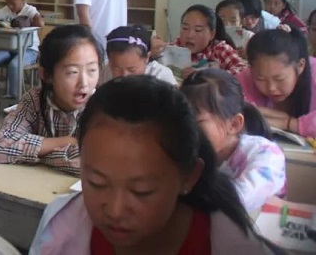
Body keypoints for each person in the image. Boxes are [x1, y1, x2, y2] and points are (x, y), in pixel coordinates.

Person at [29, 76, 277, 255]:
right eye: (96, 183)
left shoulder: (232, 246)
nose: (115, 210)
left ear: (189, 177)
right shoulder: (60, 228)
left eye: (141, 191)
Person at [0, 25, 101, 176]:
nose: (84, 83)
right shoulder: (35, 100)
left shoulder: (102, 108)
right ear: (46, 75)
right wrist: (68, 142)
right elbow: (1, 146)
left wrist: (40, 154)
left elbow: (94, 162)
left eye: (92, 70)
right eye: (72, 72)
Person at [180, 69, 286, 213]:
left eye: (197, 123)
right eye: (181, 123)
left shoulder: (267, 154)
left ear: (234, 124)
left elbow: (237, 201)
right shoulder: (188, 155)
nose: (186, 131)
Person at [237, 28, 316, 138]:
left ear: (300, 66)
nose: (271, 88)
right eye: (261, 79)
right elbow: (231, 110)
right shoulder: (246, 78)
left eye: (279, 79)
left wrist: (291, 123)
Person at [174, 5, 247, 78]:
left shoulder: (220, 50)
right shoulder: (177, 45)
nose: (189, 35)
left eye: (198, 30)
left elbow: (243, 70)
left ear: (212, 34)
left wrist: (209, 75)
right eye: (185, 28)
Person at [101, 25, 176, 86]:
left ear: (147, 58)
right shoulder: (106, 72)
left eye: (132, 69)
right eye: (116, 69)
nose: (124, 76)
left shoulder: (161, 76)